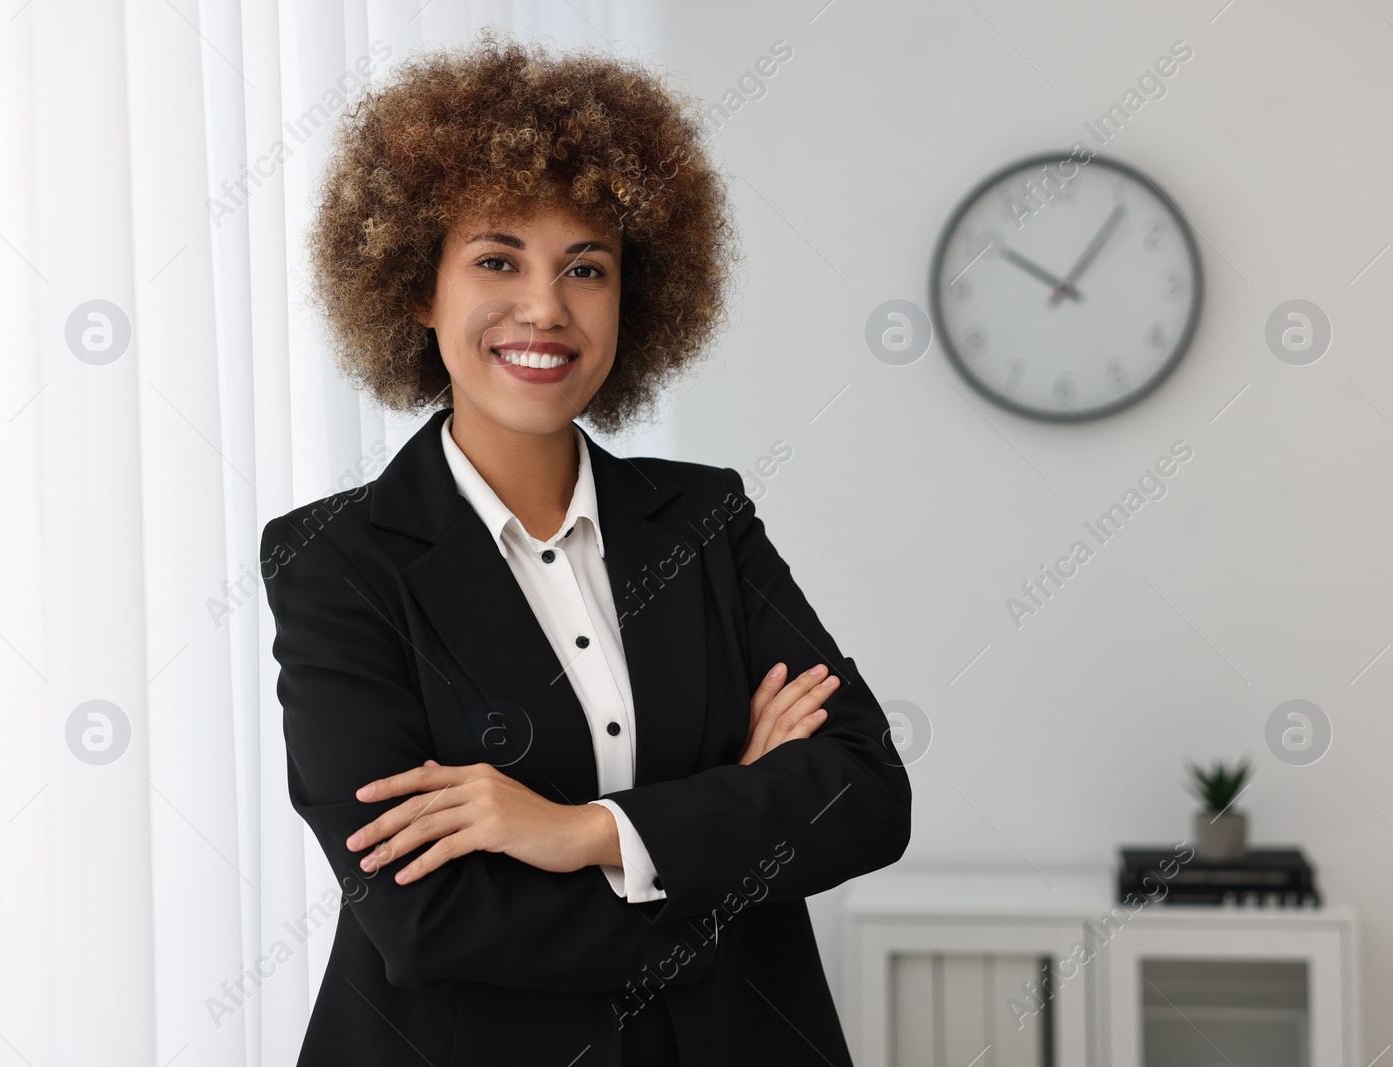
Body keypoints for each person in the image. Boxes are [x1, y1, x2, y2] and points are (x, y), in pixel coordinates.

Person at [260, 29, 911, 1066]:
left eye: (586, 267)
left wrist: (580, 831)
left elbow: (863, 794)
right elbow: (427, 919)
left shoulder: (704, 518)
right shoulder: (337, 562)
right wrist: (721, 831)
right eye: (495, 259)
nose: (545, 308)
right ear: (417, 288)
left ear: (634, 294)